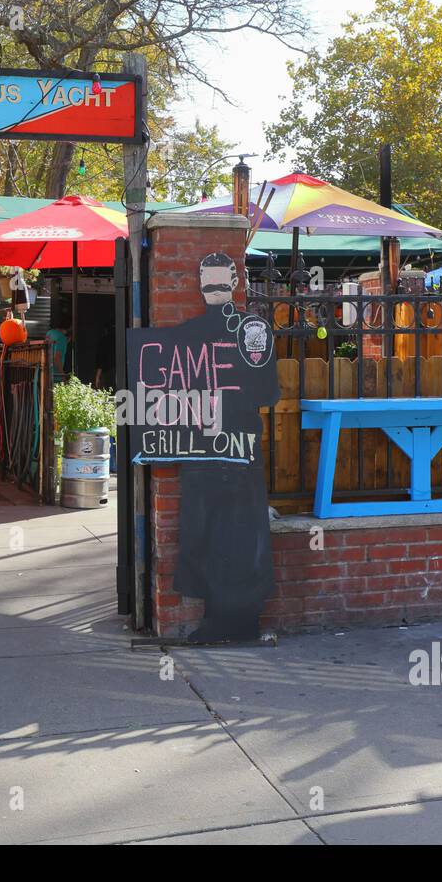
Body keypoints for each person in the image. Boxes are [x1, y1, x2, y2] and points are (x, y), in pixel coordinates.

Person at [168, 252, 279, 643]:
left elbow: (268, 391)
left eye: (220, 284)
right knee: (203, 531)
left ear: (235, 280)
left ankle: (244, 621)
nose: (213, 292)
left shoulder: (254, 330)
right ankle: (216, 620)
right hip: (200, 450)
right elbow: (168, 393)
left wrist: (233, 384)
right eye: (207, 285)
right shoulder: (186, 335)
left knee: (243, 534)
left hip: (241, 448)